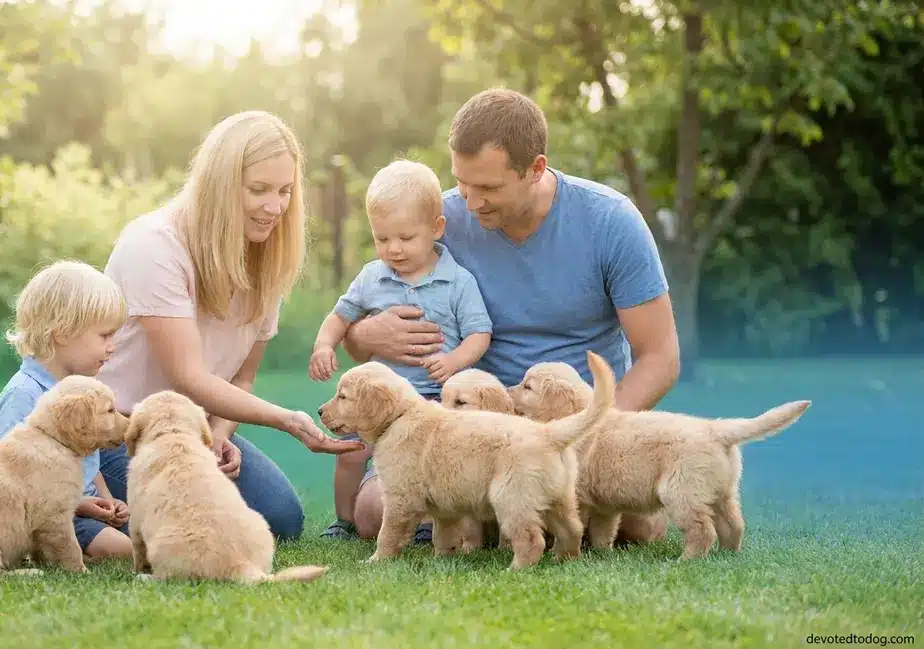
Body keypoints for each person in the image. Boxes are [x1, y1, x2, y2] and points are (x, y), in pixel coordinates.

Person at [342, 88, 682, 545]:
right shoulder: (437, 220)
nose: (470, 201)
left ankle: (503, 516)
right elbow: (355, 335)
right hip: (470, 440)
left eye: (488, 188)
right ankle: (491, 511)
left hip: (574, 430)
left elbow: (660, 357)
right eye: (463, 183)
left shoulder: (610, 222)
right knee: (374, 512)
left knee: (638, 525)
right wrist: (366, 333)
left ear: (535, 169)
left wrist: (588, 440)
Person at [93, 110, 365, 542]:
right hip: (123, 431)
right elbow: (189, 376)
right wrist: (287, 420)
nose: (275, 207)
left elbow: (243, 377)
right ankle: (82, 510)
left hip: (194, 427)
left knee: (280, 520)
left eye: (285, 191)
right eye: (258, 190)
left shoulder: (267, 258)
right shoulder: (153, 245)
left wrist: (216, 437)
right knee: (196, 528)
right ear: (219, 184)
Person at [308, 159, 492, 541]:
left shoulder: (458, 281)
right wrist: (324, 344)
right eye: (382, 239)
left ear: (436, 228)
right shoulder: (372, 277)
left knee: (434, 461)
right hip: (376, 399)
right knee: (351, 450)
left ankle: (432, 525)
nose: (393, 249)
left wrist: (454, 361)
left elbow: (479, 334)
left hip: (432, 397)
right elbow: (340, 316)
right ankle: (342, 521)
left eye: (406, 238)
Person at [0, 259, 133, 559]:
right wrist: (80, 505)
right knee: (131, 552)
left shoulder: (77, 390)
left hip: (87, 511)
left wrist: (107, 501)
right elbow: (12, 483)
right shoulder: (23, 397)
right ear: (63, 333)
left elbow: (86, 458)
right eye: (105, 335)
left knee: (145, 533)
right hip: (53, 520)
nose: (112, 346)